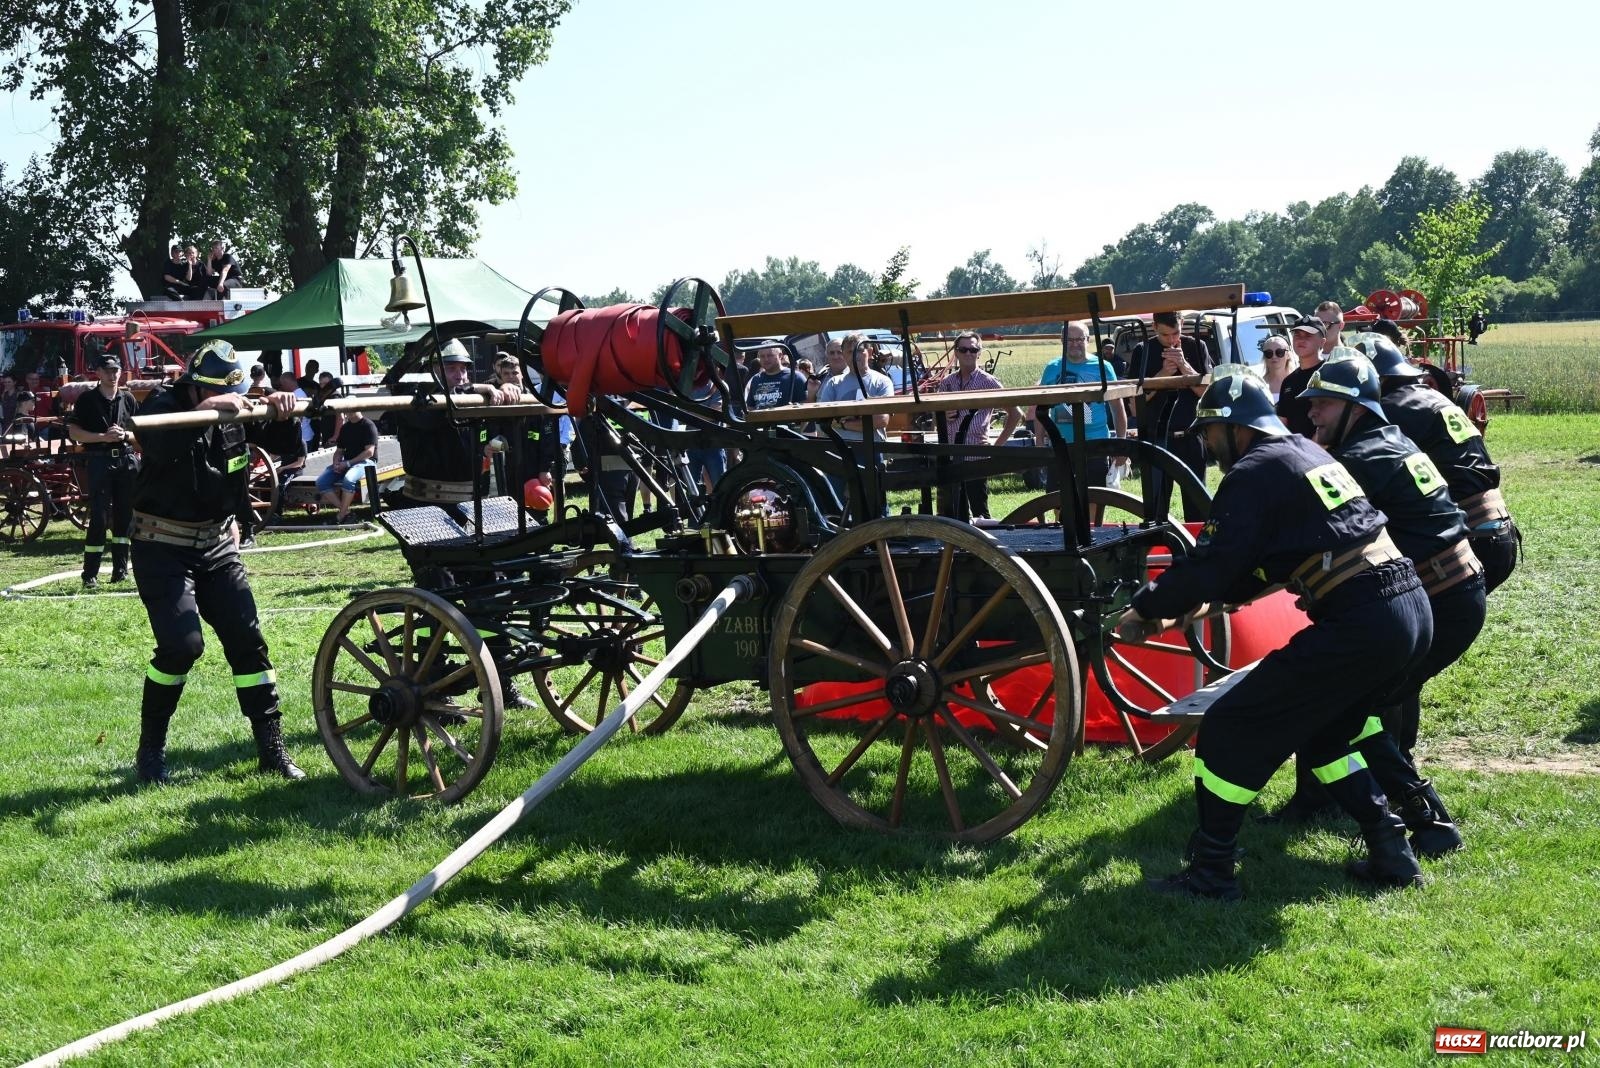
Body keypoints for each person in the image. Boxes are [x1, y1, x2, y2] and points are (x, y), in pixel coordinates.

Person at [1118, 367, 1431, 899]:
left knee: (1228, 726)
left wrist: (1146, 606)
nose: (1210, 447)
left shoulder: (1254, 470)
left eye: (1210, 434)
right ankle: (1391, 849)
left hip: (1363, 617)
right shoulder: (1307, 454)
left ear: (1234, 428)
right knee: (1326, 733)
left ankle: (1212, 871)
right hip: (1407, 604)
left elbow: (1215, 562)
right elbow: (1266, 561)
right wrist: (1212, 598)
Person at [1280, 354, 1480, 856]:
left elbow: (1310, 531)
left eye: (1323, 405)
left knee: (1340, 706)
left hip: (1437, 596)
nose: (1312, 415)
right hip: (1451, 593)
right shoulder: (1391, 441)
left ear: (1356, 408)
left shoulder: (1358, 461)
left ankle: (1408, 820)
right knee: (1361, 707)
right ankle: (1419, 819)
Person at [128, 339, 303, 784]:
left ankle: (272, 751)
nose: (219, 401)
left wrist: (282, 409)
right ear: (192, 387)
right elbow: (157, 441)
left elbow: (264, 451)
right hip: (161, 545)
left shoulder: (231, 414)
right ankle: (150, 754)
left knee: (249, 641)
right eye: (208, 393)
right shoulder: (165, 407)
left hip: (217, 546)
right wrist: (216, 405)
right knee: (182, 646)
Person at [1364, 336, 1520, 593]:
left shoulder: (1393, 409)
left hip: (1470, 539)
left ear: (1377, 379)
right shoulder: (1430, 397)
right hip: (1497, 529)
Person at [1035, 322, 1128, 519]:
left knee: (1094, 497)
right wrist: (1039, 441)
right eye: (1069, 340)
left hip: (1095, 443)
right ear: (1062, 342)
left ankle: (1093, 536)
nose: (1075, 344)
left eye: (1079, 339)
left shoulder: (1103, 367)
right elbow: (1039, 407)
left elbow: (1118, 408)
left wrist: (1121, 444)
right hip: (1060, 443)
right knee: (1058, 498)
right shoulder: (1052, 368)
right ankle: (1064, 536)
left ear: (1088, 340)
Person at [68, 354, 140, 589]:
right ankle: (90, 574)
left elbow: (140, 433)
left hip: (126, 461)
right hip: (99, 461)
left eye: (116, 370)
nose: (113, 374)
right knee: (98, 517)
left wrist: (126, 436)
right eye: (108, 370)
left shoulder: (127, 399)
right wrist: (102, 437)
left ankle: (121, 571)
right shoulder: (87, 400)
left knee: (125, 516)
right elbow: (74, 432)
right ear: (97, 372)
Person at [1130, 312, 1211, 520]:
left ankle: (1198, 550)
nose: (1172, 340)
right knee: (1156, 508)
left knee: (1197, 509)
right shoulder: (1143, 351)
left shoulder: (1195, 346)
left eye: (1176, 333)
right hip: (1157, 439)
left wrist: (1184, 366)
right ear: (1154, 327)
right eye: (1166, 335)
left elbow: (1207, 394)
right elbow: (1134, 404)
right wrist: (1163, 375)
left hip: (1191, 436)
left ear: (1182, 324)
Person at [936, 332, 1024, 522]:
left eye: (973, 349)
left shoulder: (988, 382)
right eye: (963, 349)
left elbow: (1016, 414)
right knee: (952, 512)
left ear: (979, 353)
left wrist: (996, 446)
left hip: (976, 457)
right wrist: (941, 416)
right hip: (950, 456)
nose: (969, 353)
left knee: (979, 513)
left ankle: (982, 547)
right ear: (956, 353)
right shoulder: (947, 383)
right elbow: (936, 421)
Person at [815, 332, 894, 516]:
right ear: (844, 355)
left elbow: (881, 420)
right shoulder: (833, 384)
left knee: (876, 504)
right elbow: (825, 420)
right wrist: (860, 421)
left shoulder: (882, 382)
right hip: (839, 450)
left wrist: (843, 423)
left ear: (870, 352)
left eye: (860, 349)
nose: (855, 355)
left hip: (871, 449)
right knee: (835, 504)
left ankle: (882, 539)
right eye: (850, 351)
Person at [314, 407, 379, 524]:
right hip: (347, 462)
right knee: (321, 482)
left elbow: (369, 452)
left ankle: (340, 516)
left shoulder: (368, 425)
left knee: (348, 479)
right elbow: (339, 450)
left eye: (349, 408)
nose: (346, 411)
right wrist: (336, 463)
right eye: (345, 409)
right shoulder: (345, 428)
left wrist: (348, 463)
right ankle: (346, 512)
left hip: (367, 462)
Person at [1274, 315, 1328, 438]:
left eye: (1308, 335)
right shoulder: (1288, 381)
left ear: (1322, 342)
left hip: (1323, 453)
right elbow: (1282, 425)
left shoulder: (1330, 374)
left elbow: (1333, 422)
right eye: (1297, 335)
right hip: (1294, 452)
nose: (1301, 340)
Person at [745, 344, 807, 412]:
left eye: (770, 355)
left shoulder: (796, 377)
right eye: (762, 356)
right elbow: (750, 407)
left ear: (780, 355)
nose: (766, 359)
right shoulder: (756, 379)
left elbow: (806, 408)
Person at [1258, 335, 1293, 401]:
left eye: (1279, 352)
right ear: (1264, 357)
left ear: (1288, 355)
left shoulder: (1298, 381)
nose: (1274, 356)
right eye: (1269, 353)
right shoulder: (1258, 386)